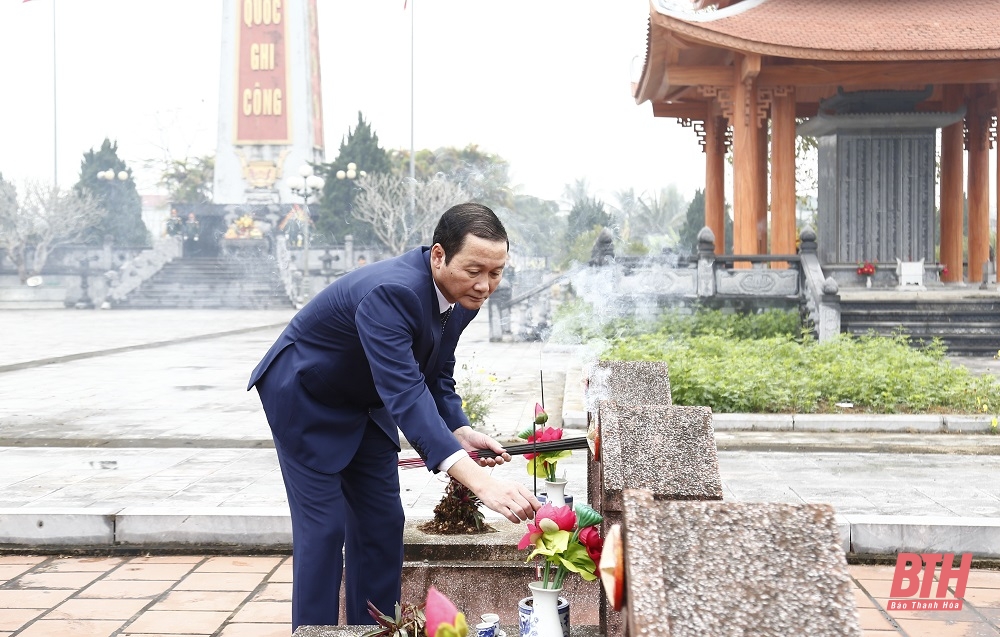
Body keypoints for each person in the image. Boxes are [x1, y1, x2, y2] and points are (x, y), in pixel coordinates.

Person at [248, 202, 540, 630]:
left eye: (496, 272)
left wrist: (458, 428)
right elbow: (405, 393)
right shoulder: (393, 291)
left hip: (365, 397)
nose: (484, 286)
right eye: (474, 269)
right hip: (307, 395)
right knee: (324, 530)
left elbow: (435, 371)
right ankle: (316, 632)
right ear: (438, 255)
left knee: (383, 522)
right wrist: (480, 483)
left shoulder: (462, 298)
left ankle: (375, 628)